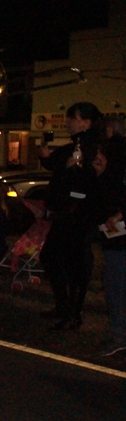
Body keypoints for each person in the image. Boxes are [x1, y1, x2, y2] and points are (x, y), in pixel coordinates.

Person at [38, 102, 104, 330]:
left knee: (74, 263)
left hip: (79, 215)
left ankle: (73, 312)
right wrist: (47, 156)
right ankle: (65, 306)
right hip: (68, 213)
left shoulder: (93, 145)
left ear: (85, 121)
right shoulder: (76, 145)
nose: (68, 122)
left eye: (72, 118)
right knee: (53, 257)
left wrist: (70, 168)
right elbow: (56, 163)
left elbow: (87, 178)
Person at [92, 140, 126, 356]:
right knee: (115, 288)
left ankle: (120, 335)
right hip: (114, 238)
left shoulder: (117, 176)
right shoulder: (111, 175)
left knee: (117, 288)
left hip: (120, 240)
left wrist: (119, 215)